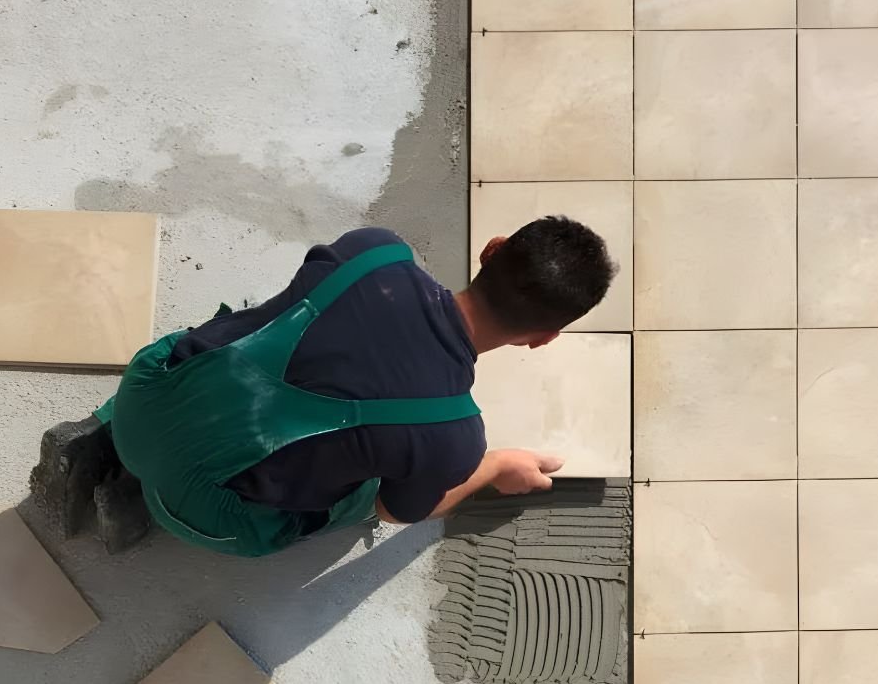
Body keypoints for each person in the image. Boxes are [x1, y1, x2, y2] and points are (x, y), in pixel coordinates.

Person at [81, 216, 615, 557]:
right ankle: (144, 501)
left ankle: (104, 435)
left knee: (239, 331)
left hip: (142, 396)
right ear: (542, 339)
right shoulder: (454, 434)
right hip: (199, 510)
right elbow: (395, 511)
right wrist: (494, 467)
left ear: (491, 249)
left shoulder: (374, 251)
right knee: (365, 489)